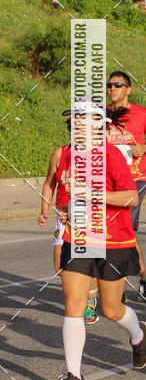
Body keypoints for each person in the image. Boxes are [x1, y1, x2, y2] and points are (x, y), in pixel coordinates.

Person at [52, 100, 146, 380]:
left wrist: (93, 194)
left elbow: (131, 197)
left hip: (114, 241)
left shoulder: (111, 155)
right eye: (72, 121)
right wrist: (65, 211)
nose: (74, 125)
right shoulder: (67, 155)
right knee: (74, 304)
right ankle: (74, 376)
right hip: (78, 240)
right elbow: (67, 195)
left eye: (80, 120)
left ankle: (137, 334)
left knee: (111, 309)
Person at [38, 114, 99, 324]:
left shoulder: (97, 156)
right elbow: (49, 183)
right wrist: (44, 210)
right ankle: (82, 293)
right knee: (60, 266)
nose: (74, 132)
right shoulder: (60, 153)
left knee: (88, 265)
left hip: (88, 218)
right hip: (63, 217)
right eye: (71, 128)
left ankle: (88, 301)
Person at [106, 71, 146, 301]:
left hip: (136, 178)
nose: (112, 89)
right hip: (110, 181)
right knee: (118, 230)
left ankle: (117, 287)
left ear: (128, 89)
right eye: (109, 85)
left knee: (124, 227)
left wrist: (145, 147)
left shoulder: (142, 113)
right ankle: (145, 275)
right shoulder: (102, 115)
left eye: (118, 85)